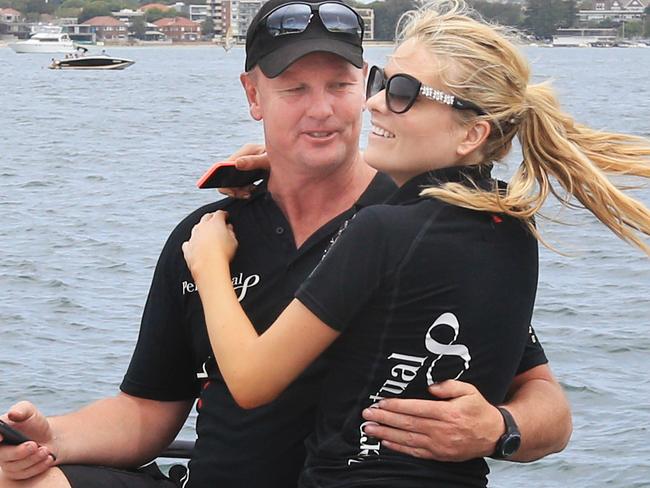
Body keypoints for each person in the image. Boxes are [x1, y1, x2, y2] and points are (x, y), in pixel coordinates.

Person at [0, 1, 572, 487]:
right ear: (253, 95)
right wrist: (53, 438)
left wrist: (500, 428)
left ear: (364, 86)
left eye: (342, 86)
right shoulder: (209, 232)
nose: (321, 109)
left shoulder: (415, 224)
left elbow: (547, 401)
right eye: (294, 89)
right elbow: (148, 409)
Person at [181, 1, 650, 486]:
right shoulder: (510, 224)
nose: (375, 102)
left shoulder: (383, 231)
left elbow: (252, 380)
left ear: (472, 133)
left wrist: (210, 264)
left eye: (404, 93)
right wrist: (285, 170)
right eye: (381, 81)